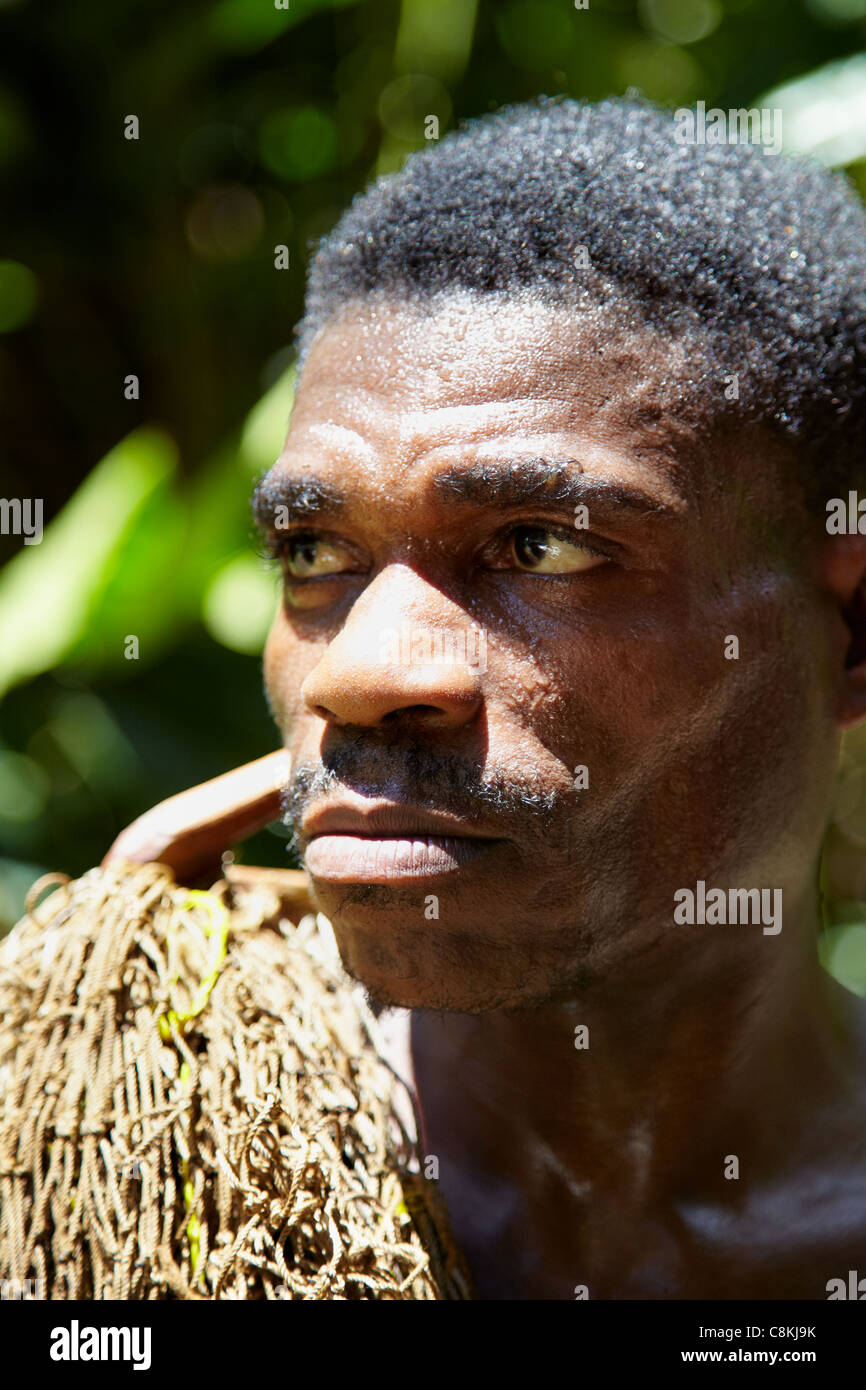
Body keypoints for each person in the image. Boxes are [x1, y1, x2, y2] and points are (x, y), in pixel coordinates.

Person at [109, 96, 866, 1299]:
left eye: (539, 548)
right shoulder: (134, 1167)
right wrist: (93, 1007)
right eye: (312, 551)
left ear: (847, 628)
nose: (360, 673)